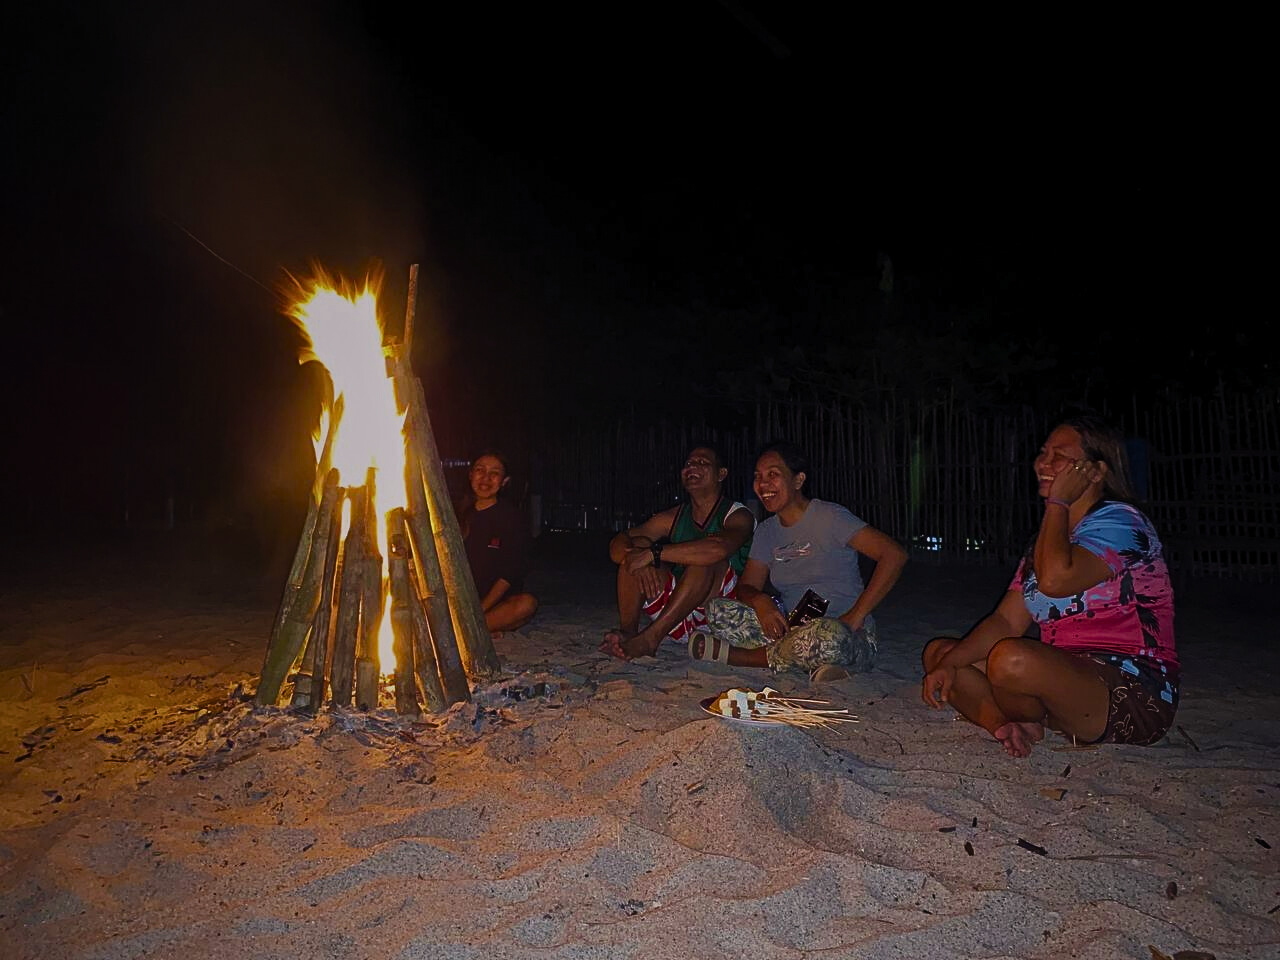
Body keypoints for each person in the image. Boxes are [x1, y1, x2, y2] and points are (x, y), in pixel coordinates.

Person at [920, 414, 1179, 758]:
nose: (1043, 462)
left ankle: (1031, 716)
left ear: (1096, 472)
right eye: (1043, 452)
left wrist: (1057, 503)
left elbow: (1056, 580)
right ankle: (1007, 726)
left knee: (1011, 660)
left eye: (1060, 456)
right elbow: (1006, 621)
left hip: (1131, 690)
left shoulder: (1123, 523)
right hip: (1060, 678)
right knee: (941, 654)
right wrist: (950, 664)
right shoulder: (1046, 541)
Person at [692, 440, 908, 677]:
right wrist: (761, 601)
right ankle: (810, 661)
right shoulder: (766, 531)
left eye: (773, 474)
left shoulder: (829, 516)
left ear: (798, 480)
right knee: (718, 611)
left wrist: (855, 616)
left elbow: (894, 555)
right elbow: (747, 586)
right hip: (793, 627)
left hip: (847, 632)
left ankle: (741, 657)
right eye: (757, 476)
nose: (762, 484)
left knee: (829, 637)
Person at [600, 445, 755, 660]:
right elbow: (617, 544)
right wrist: (638, 557)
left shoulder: (738, 515)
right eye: (689, 463)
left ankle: (651, 639)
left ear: (721, 474)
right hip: (676, 615)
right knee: (636, 550)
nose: (692, 467)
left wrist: (653, 554)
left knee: (706, 561)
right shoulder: (674, 516)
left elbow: (717, 549)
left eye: (703, 462)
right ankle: (628, 631)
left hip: (720, 618)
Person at [459, 450, 538, 635]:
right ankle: (478, 630)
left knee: (526, 604)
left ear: (504, 481)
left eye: (494, 473)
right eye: (480, 470)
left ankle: (471, 629)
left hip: (492, 604)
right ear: (471, 475)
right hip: (458, 600)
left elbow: (508, 574)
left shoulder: (512, 519)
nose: (486, 478)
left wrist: (479, 611)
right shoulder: (454, 513)